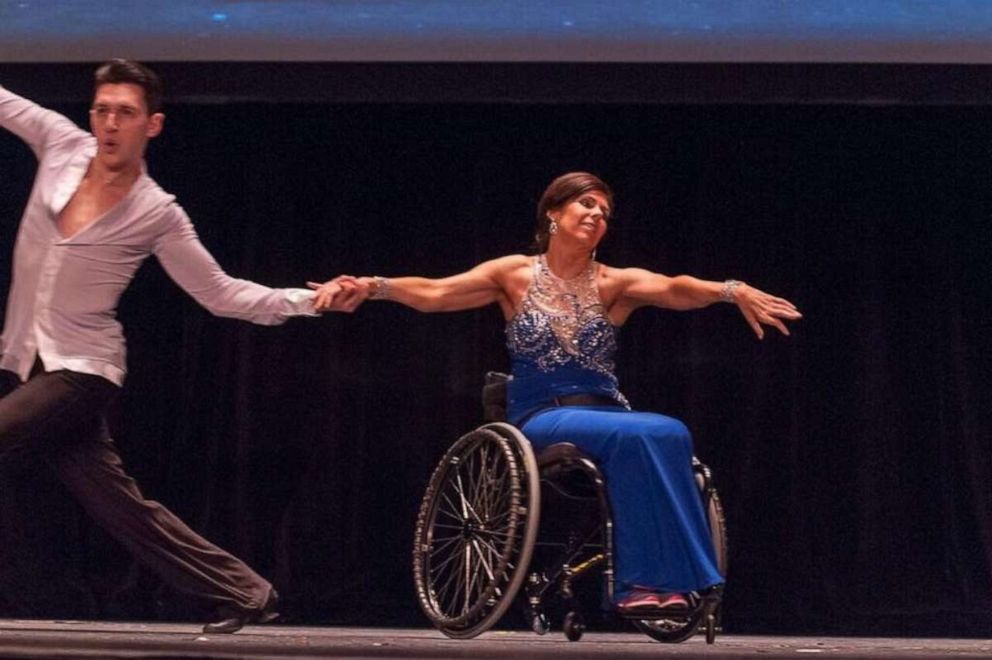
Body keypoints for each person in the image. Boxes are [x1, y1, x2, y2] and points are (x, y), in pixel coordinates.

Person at [311, 171, 801, 612]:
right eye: (587, 205)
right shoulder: (513, 274)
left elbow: (675, 287)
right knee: (644, 434)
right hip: (543, 413)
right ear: (554, 213)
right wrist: (375, 285)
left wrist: (731, 291)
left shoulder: (613, 282)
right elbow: (437, 292)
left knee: (669, 432)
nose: (597, 215)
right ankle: (642, 583)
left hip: (605, 409)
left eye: (605, 212)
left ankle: (668, 583)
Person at [0, 59, 343, 633]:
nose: (110, 123)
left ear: (151, 125)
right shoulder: (60, 144)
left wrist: (311, 301)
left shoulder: (157, 212)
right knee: (121, 508)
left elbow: (222, 294)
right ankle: (245, 591)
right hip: (22, 361)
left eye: (125, 113)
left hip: (83, 371)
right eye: (102, 110)